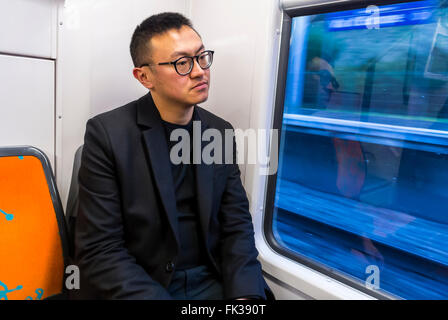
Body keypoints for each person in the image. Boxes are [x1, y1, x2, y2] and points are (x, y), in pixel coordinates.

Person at [73, 12, 273, 300]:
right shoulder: (107, 134)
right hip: (142, 283)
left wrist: (245, 296)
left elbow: (236, 226)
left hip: (211, 278)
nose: (199, 71)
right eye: (182, 63)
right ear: (145, 76)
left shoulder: (219, 131)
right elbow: (100, 249)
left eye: (202, 57)